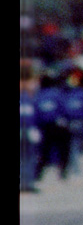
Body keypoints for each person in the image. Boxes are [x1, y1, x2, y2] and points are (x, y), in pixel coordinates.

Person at [19, 64, 42, 193]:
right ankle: (26, 182)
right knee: (27, 157)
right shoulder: (29, 95)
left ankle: (27, 182)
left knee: (29, 157)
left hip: (29, 127)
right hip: (27, 127)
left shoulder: (30, 96)